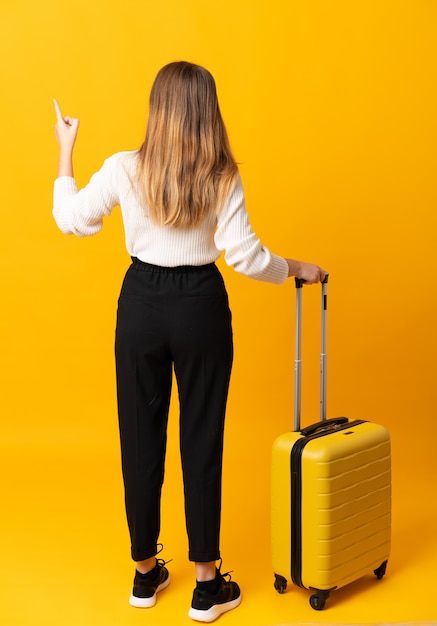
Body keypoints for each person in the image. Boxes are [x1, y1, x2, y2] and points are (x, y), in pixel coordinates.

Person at [52, 61, 325, 623]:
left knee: (138, 434)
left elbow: (69, 219)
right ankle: (206, 584)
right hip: (201, 306)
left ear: (157, 109)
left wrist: (65, 149)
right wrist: (297, 266)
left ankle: (145, 574)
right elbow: (245, 256)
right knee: (202, 437)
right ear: (208, 112)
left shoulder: (124, 168)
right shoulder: (221, 174)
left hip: (141, 306)